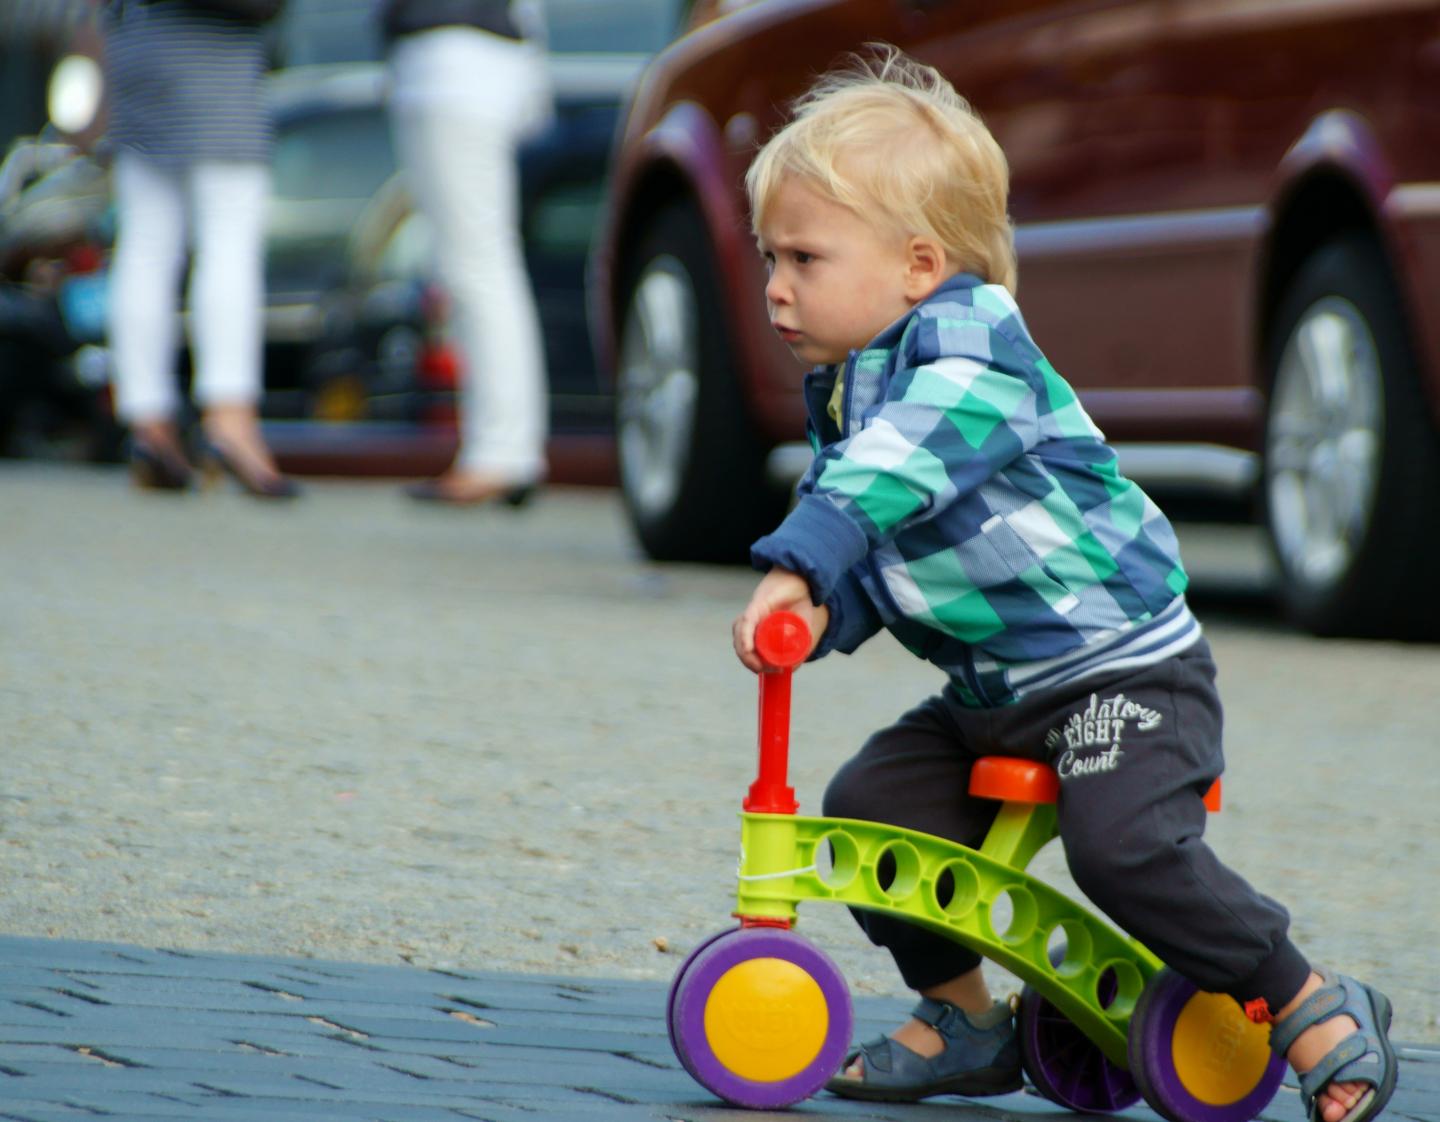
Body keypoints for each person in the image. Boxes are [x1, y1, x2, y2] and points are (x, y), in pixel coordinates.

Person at [730, 46, 1397, 1122]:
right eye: (770, 255)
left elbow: (897, 473)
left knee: (1124, 848)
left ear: (916, 263)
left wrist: (802, 553)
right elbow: (892, 553)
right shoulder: (854, 387)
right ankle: (963, 1018)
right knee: (873, 807)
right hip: (997, 697)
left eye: (805, 257)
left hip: (1123, 675)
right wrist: (825, 604)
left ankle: (1307, 997)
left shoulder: (970, 352)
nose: (774, 286)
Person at [102, 0, 298, 498]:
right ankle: (230, 421)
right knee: (229, 236)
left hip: (136, 37)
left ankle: (148, 424)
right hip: (209, 44)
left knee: (146, 242)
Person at [379, 0, 551, 506]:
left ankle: (502, 452)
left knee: (477, 265)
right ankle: (502, 449)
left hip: (452, 63)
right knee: (474, 263)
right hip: (454, 61)